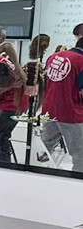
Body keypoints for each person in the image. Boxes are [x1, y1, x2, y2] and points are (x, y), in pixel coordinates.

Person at [41, 38, 83, 171]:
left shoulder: (53, 57)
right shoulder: (81, 61)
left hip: (50, 109)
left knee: (43, 148)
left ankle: (36, 172)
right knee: (79, 153)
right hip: (71, 113)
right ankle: (77, 180)